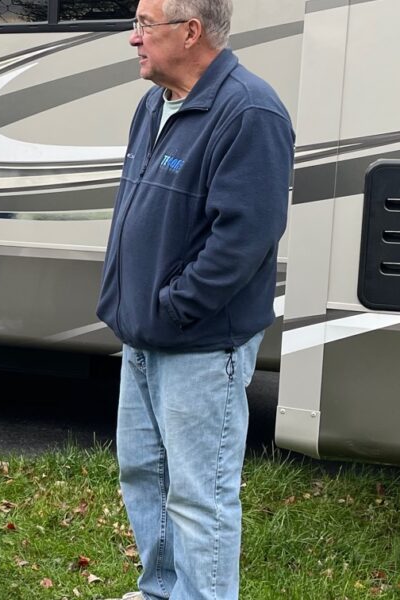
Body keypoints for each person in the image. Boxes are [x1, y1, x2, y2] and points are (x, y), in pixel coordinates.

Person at [96, 0, 293, 598]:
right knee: (144, 474)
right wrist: (132, 306)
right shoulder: (154, 103)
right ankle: (161, 589)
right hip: (143, 333)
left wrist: (175, 305)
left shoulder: (249, 111)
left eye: (144, 25)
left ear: (190, 32)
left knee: (198, 491)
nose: (134, 39)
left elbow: (246, 236)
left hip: (201, 340)